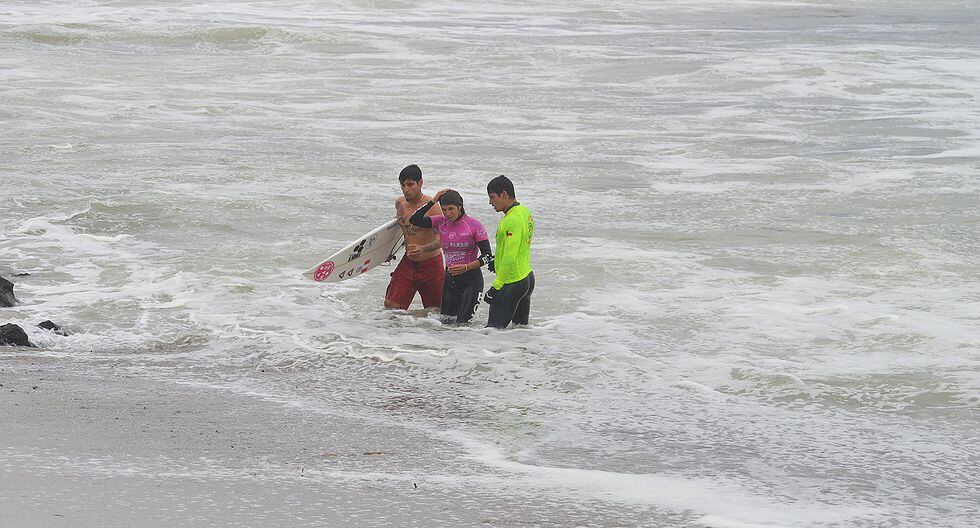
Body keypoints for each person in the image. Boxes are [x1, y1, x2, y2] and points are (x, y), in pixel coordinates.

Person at [409, 188, 493, 323]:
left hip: (471, 281)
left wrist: (466, 267)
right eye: (444, 209)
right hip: (450, 281)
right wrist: (433, 200)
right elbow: (414, 219)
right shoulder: (440, 222)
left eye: (451, 209)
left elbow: (488, 256)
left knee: (463, 324)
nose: (448, 213)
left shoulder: (474, 225)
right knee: (445, 325)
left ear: (460, 206)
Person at [384, 164, 444, 310]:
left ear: (420, 183)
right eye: (403, 185)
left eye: (410, 185)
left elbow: (443, 239)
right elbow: (400, 231)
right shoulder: (400, 204)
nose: (406, 189)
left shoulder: (432, 207)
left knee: (435, 311)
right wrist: (387, 252)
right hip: (408, 263)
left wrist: (423, 249)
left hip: (431, 266)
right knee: (391, 307)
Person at [484, 175, 535, 328]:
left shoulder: (511, 220)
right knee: (520, 331)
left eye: (492, 197)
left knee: (491, 332)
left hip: (512, 282)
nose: (490, 202)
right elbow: (520, 246)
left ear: (504, 194)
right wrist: (496, 262)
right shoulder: (525, 212)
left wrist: (496, 286)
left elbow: (510, 256)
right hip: (526, 277)